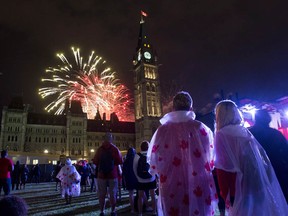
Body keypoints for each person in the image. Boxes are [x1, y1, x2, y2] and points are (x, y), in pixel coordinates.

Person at [148, 91, 217, 216]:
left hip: (172, 185)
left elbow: (155, 160)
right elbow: (211, 159)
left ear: (173, 108)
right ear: (191, 107)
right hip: (199, 184)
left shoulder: (162, 130)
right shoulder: (202, 128)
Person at [214, 100, 288, 215]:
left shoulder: (221, 135)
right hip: (258, 184)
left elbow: (223, 167)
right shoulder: (244, 132)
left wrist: (226, 194)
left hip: (238, 188)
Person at [249, 109, 288, 203]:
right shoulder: (276, 134)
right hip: (278, 170)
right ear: (268, 119)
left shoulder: (249, 134)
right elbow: (286, 151)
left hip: (256, 171)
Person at [93, 132, 123, 216]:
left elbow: (95, 162)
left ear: (104, 139)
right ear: (111, 139)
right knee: (113, 193)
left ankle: (102, 211)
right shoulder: (115, 149)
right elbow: (119, 162)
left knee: (102, 194)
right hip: (113, 175)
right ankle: (113, 211)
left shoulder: (99, 149)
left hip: (101, 175)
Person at [134, 141, 157, 216]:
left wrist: (137, 177)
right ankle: (154, 211)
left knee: (140, 197)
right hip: (151, 179)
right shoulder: (151, 155)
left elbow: (134, 168)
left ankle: (140, 213)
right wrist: (154, 176)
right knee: (153, 196)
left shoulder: (137, 156)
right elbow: (155, 167)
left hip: (141, 179)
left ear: (141, 147)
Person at [123, 147, 138, 213]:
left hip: (129, 178)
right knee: (140, 193)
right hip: (137, 178)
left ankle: (132, 209)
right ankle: (141, 206)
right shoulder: (136, 159)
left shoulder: (126, 161)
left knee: (131, 194)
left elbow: (124, 172)